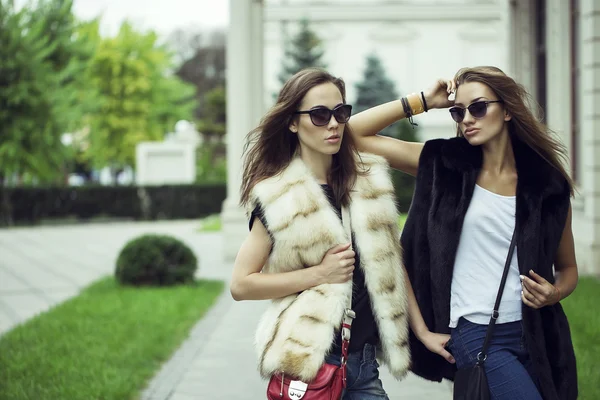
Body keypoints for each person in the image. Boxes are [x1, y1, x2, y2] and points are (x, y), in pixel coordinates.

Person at [348, 66, 579, 400]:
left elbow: (568, 268)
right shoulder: (443, 164)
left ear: (508, 110)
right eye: (459, 111)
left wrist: (555, 293)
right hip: (476, 333)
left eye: (479, 107)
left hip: (539, 334)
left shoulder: (547, 184)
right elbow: (352, 134)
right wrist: (424, 101)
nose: (467, 118)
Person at [229, 68, 450, 399]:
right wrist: (319, 273)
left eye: (341, 112)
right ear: (292, 122)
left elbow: (390, 263)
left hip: (362, 365)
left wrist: (421, 332)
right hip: (308, 363)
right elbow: (241, 284)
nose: (333, 124)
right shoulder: (279, 197)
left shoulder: (367, 184)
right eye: (319, 115)